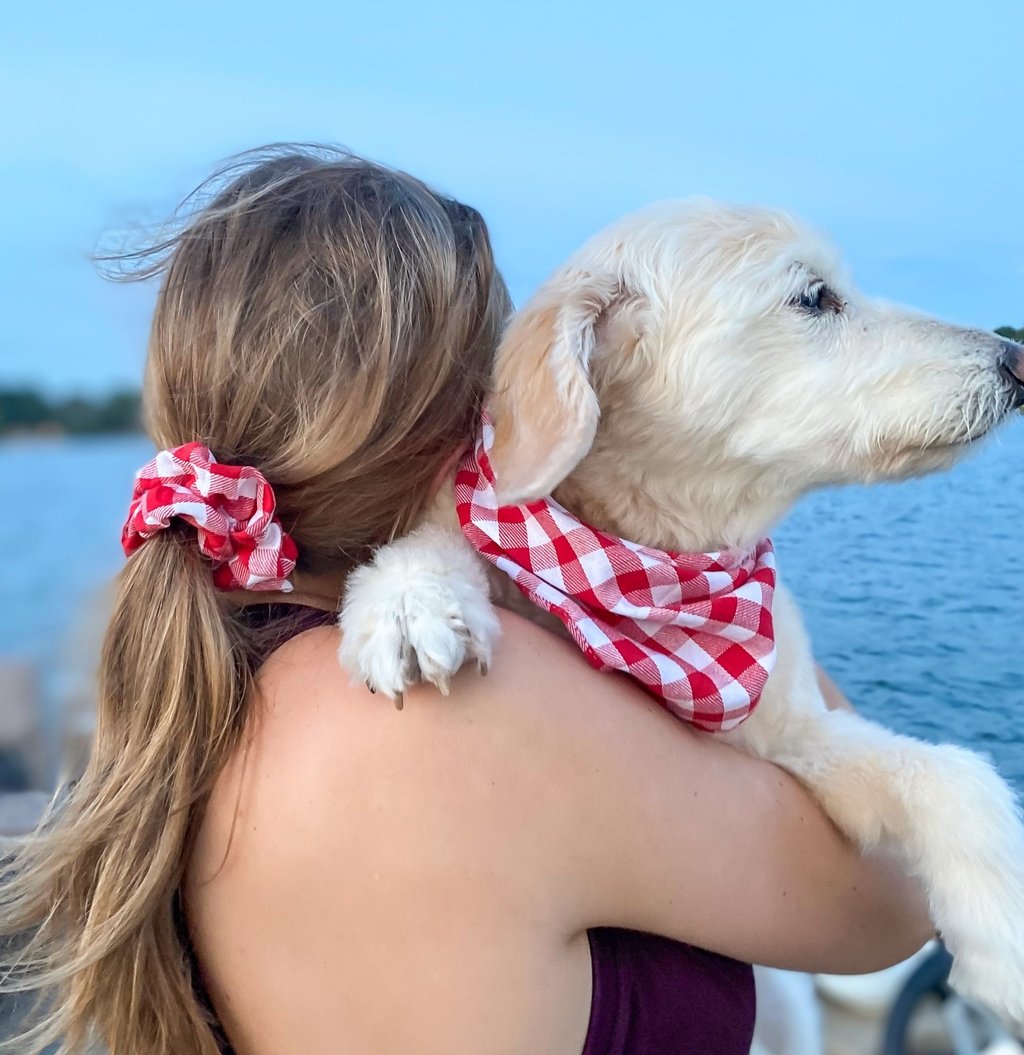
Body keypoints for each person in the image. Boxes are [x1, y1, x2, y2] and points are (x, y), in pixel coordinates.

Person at [0, 146, 932, 1055]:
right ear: (465, 413)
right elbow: (892, 894)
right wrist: (712, 564)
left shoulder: (190, 678)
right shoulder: (466, 697)